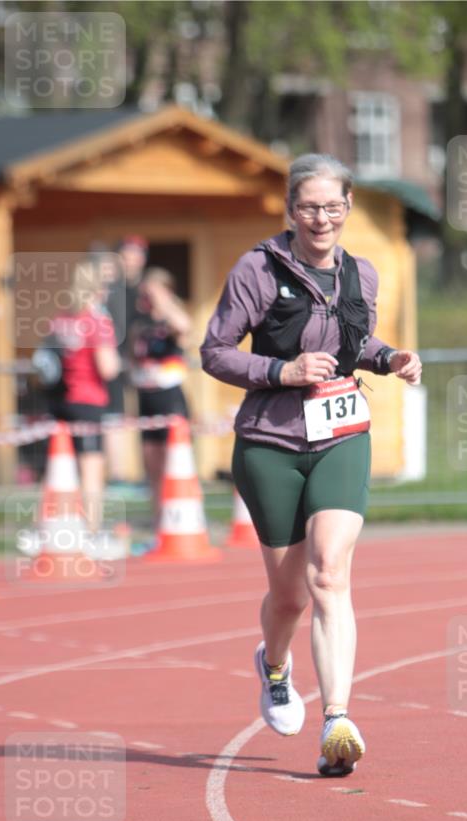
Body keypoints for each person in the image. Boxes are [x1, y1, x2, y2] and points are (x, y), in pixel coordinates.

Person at [200, 153, 421, 777]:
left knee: (330, 575)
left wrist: (391, 358)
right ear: (290, 210)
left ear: (348, 207)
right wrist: (281, 371)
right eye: (308, 206)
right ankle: (274, 667)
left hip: (342, 435)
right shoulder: (257, 269)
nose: (320, 218)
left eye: (332, 206)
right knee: (290, 597)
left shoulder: (363, 274)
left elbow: (355, 344)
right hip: (270, 444)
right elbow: (214, 351)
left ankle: (337, 719)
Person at [47, 260, 121, 529]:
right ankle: (91, 530)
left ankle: (52, 526)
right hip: (88, 400)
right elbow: (108, 368)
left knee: (58, 468)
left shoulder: (61, 318)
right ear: (98, 289)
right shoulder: (97, 321)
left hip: (60, 401)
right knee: (91, 472)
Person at [128, 267, 193, 526]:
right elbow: (134, 353)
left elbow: (183, 327)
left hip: (170, 395)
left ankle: (179, 515)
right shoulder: (141, 323)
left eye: (153, 291)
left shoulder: (172, 317)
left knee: (174, 460)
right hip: (147, 395)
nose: (149, 297)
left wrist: (164, 302)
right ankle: (158, 517)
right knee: (151, 462)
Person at [103, 235, 149, 482]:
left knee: (148, 417)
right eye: (127, 255)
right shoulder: (110, 290)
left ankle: (147, 472)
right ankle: (118, 474)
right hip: (116, 362)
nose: (132, 261)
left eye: (136, 255)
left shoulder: (146, 288)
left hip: (145, 363)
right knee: (115, 417)